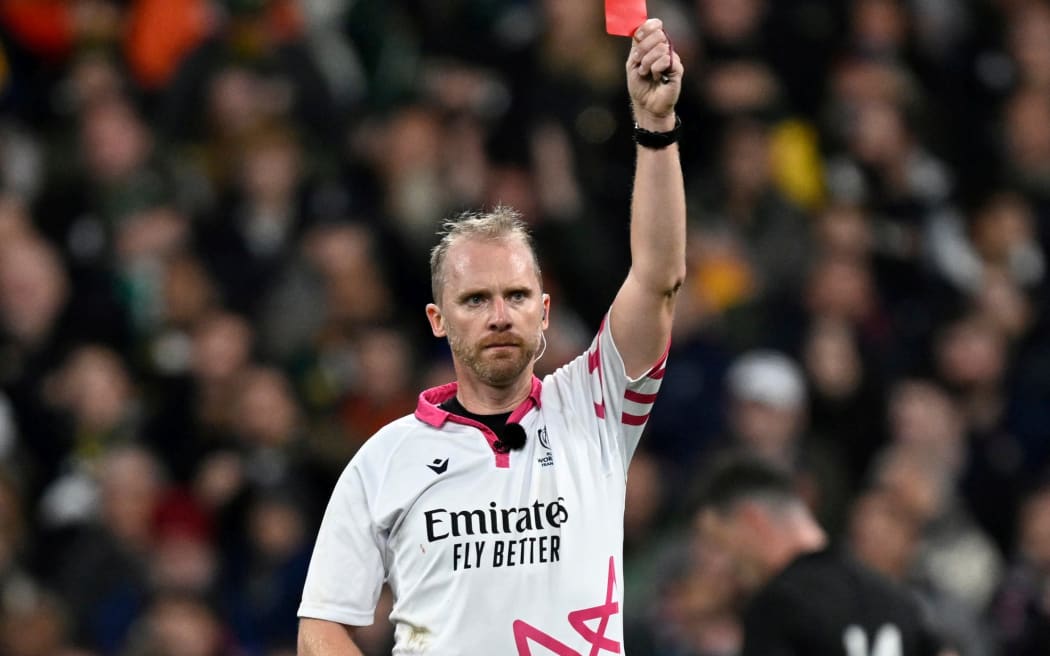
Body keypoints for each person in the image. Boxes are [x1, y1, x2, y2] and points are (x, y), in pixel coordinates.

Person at [296, 18, 685, 656]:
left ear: (545, 312)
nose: (500, 315)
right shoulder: (384, 459)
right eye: (476, 299)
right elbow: (321, 627)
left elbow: (659, 277)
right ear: (437, 320)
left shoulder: (594, 407)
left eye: (517, 296)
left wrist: (656, 128)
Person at [698, 453, 951, 656]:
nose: (724, 564)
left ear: (752, 522)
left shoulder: (776, 606)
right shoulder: (895, 599)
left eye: (720, 543)